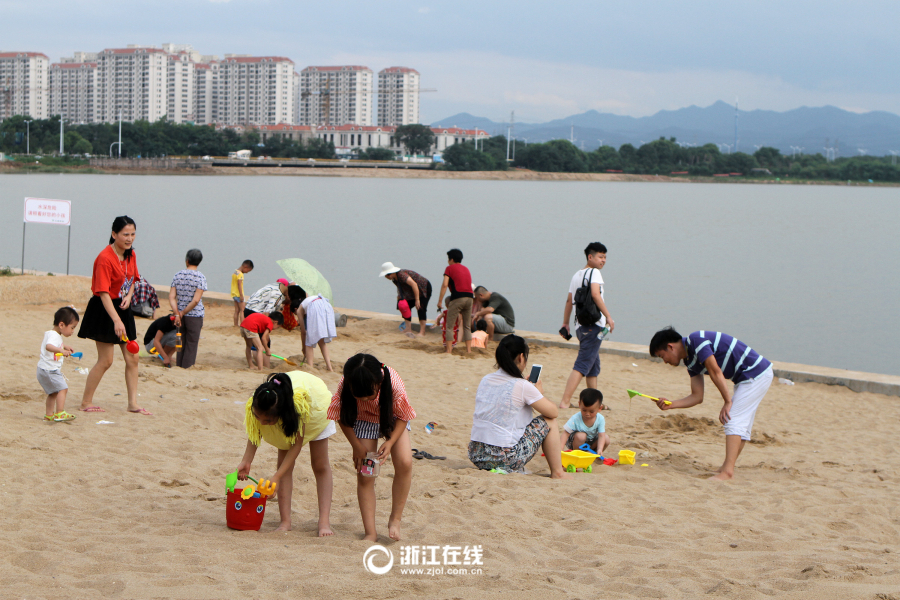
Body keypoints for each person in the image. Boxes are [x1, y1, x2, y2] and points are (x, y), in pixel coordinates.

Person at [649, 327, 774, 481]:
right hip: (747, 378)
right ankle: (726, 468)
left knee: (732, 418)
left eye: (662, 356)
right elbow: (697, 396)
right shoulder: (690, 361)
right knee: (740, 425)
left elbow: (715, 371)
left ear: (670, 347)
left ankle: (727, 472)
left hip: (755, 373)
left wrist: (727, 401)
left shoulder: (696, 341)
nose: (665, 361)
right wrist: (671, 404)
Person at [327, 353, 415, 541]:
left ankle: (395, 519)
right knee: (366, 474)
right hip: (364, 422)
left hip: (392, 419)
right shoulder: (347, 382)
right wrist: (356, 446)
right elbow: (342, 416)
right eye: (360, 397)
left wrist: (390, 442)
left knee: (405, 462)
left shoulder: (392, 382)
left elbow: (403, 415)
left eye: (370, 396)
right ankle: (370, 532)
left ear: (378, 383)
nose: (366, 400)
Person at [236, 372, 337, 535]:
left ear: (281, 414)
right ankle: (285, 521)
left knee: (320, 465)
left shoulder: (296, 407)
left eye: (268, 421)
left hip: (315, 410)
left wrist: (275, 476)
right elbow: (255, 432)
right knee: (283, 467)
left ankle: (324, 521)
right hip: (285, 414)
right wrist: (246, 460)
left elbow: (296, 446)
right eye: (259, 417)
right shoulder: (258, 404)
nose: (263, 423)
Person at [468, 335, 572, 479]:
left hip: (476, 454)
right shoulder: (522, 385)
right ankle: (558, 473)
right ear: (521, 357)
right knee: (550, 422)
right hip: (503, 458)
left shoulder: (485, 380)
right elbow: (553, 412)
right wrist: (538, 393)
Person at [78, 216, 150, 415]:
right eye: (125, 234)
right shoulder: (104, 258)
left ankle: (133, 404)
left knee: (133, 358)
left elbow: (134, 278)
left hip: (122, 307)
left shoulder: (131, 255)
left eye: (133, 234)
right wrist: (116, 320)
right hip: (104, 309)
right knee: (106, 360)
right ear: (114, 234)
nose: (129, 239)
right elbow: (102, 292)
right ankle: (85, 402)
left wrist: (128, 295)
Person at [559, 242, 615, 409]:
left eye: (605, 257)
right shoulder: (595, 273)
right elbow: (596, 295)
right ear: (590, 257)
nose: (603, 260)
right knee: (583, 364)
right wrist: (609, 317)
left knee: (592, 365)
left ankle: (595, 403)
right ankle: (565, 401)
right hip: (593, 326)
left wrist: (565, 323)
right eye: (600, 257)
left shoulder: (577, 275)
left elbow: (570, 300)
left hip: (580, 326)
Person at [38, 306, 79, 422]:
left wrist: (64, 346)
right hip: (49, 370)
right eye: (72, 327)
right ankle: (60, 412)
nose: (73, 331)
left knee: (53, 392)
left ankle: (49, 415)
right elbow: (49, 346)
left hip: (44, 369)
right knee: (63, 388)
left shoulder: (53, 334)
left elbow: (53, 343)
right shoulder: (53, 335)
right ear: (61, 325)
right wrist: (61, 350)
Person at [169, 249, 208, 369]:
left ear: (187, 260)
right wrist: (184, 312)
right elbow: (196, 300)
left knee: (180, 341)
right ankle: (187, 367)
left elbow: (171, 297)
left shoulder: (178, 275)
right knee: (191, 343)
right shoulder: (200, 277)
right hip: (194, 315)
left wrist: (177, 313)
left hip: (179, 316)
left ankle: (179, 365)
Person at [436, 249, 474, 354]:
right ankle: (469, 350)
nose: (448, 261)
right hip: (470, 297)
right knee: (467, 326)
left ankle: (448, 350)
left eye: (448, 259)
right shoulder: (466, 269)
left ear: (451, 259)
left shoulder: (449, 268)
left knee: (449, 325)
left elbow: (445, 284)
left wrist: (439, 301)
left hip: (458, 297)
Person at [379, 262, 432, 337]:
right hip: (410, 291)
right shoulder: (394, 278)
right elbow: (400, 287)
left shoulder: (402, 275)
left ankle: (422, 332)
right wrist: (400, 296)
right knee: (403, 305)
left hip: (423, 288)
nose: (386, 277)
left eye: (386, 275)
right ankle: (408, 328)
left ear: (390, 273)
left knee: (420, 308)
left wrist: (417, 300)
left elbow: (414, 284)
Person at [560, 389, 610, 455]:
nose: (587, 414)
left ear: (599, 408)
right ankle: (577, 454)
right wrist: (560, 449)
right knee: (581, 436)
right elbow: (565, 433)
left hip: (591, 443)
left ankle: (593, 454)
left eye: (591, 411)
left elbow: (601, 436)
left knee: (606, 438)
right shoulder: (576, 418)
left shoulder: (600, 419)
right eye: (584, 410)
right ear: (579, 404)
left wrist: (600, 449)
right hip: (576, 443)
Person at [297, 291, 337, 372]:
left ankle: (310, 367)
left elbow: (303, 332)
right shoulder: (308, 301)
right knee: (321, 341)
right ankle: (329, 367)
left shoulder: (299, 310)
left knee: (309, 342)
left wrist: (303, 348)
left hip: (315, 307)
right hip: (326, 306)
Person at [232, 259, 254, 326]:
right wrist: (241, 295)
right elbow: (239, 284)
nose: (247, 272)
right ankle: (243, 324)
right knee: (242, 310)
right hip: (239, 294)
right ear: (246, 267)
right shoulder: (240, 274)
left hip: (234, 294)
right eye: (248, 270)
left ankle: (235, 324)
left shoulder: (235, 272)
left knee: (236, 310)